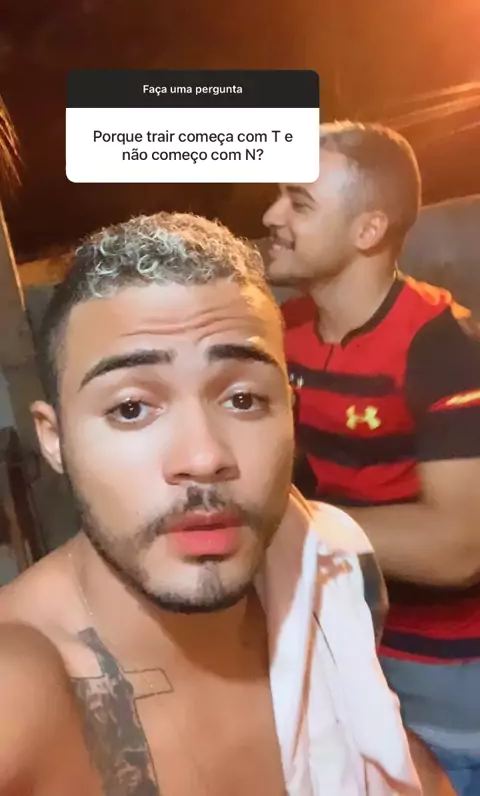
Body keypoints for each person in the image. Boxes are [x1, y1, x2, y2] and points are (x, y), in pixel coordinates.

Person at [0, 212, 424, 796]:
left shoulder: (331, 570)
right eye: (131, 408)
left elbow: (385, 742)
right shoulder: (19, 693)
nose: (203, 458)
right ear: (55, 440)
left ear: (290, 412)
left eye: (244, 399)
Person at [263, 120, 480, 796]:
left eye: (299, 203)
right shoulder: (286, 335)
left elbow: (459, 546)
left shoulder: (441, 345)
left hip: (452, 677)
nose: (270, 216)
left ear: (367, 230)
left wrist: (283, 521)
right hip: (352, 648)